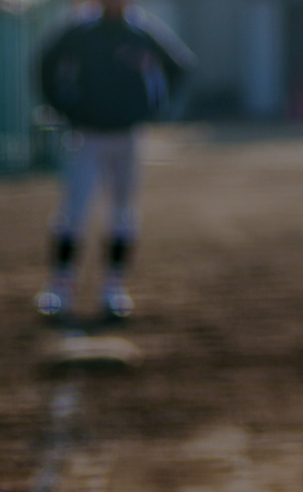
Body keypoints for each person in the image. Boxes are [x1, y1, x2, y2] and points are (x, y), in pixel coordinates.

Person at [35, 0, 194, 321]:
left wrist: (152, 108)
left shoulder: (142, 31)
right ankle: (60, 288)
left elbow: (180, 65)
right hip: (88, 135)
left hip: (127, 135)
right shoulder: (81, 31)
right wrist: (64, 107)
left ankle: (113, 288)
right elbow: (45, 64)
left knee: (122, 212)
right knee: (74, 211)